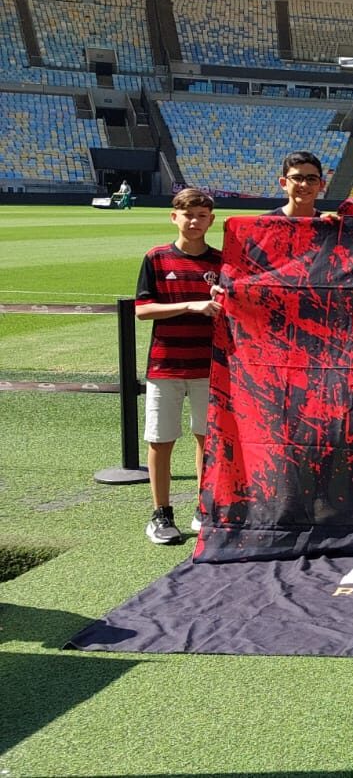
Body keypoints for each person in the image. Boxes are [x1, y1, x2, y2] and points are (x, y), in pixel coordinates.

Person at [134, 188, 223, 544]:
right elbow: (142, 310)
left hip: (208, 366)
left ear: (211, 220)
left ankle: (204, 508)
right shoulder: (156, 258)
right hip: (166, 365)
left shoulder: (220, 261)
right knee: (161, 439)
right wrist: (192, 305)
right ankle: (161, 514)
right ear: (174, 217)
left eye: (201, 216)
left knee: (206, 438)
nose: (194, 221)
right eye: (187, 215)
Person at [269, 151, 325, 217]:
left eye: (311, 179)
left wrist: (332, 225)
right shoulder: (262, 224)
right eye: (297, 178)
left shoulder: (330, 224)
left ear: (321, 185)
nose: (304, 184)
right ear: (283, 183)